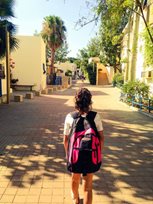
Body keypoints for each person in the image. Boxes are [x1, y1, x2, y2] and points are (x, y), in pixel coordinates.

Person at [63, 87, 104, 204]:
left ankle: (75, 199)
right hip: (91, 155)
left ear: (76, 101)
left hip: (75, 155)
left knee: (75, 179)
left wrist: (68, 155)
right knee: (88, 187)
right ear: (90, 101)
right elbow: (101, 137)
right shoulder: (95, 116)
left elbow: (65, 139)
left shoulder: (70, 117)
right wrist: (98, 154)